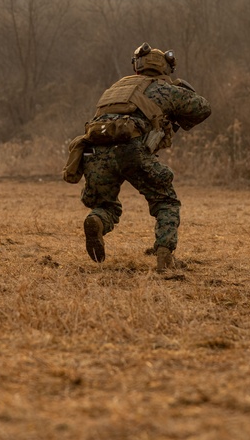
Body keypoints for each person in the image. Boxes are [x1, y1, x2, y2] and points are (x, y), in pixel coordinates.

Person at [71, 43, 211, 272]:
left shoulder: (117, 88)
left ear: (137, 67)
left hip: (95, 151)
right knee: (165, 201)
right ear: (165, 69)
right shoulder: (164, 88)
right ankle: (164, 256)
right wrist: (181, 94)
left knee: (106, 205)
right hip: (130, 150)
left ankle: (96, 220)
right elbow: (203, 108)